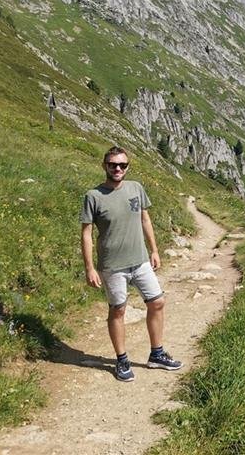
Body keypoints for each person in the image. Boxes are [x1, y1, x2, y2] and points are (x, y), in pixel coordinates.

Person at [80, 146, 182, 382]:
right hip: (112, 266)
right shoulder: (93, 196)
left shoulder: (136, 188)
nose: (117, 168)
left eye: (122, 165)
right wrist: (90, 268)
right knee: (118, 310)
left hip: (140, 260)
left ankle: (157, 354)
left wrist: (154, 250)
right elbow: (86, 234)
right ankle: (122, 359)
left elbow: (145, 219)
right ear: (104, 166)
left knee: (157, 302)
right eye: (113, 164)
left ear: (127, 167)